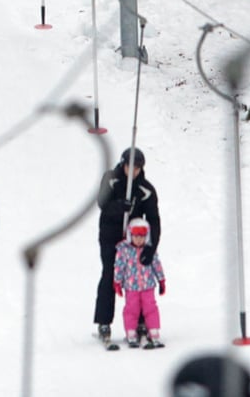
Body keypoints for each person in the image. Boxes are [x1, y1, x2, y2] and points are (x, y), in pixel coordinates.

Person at [93, 147, 160, 345]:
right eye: (130, 166)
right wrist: (118, 206)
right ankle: (104, 322)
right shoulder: (110, 178)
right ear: (123, 164)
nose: (133, 171)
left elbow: (154, 219)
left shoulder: (146, 190)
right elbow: (102, 202)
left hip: (136, 242)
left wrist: (151, 247)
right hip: (110, 237)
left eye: (137, 168)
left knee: (138, 281)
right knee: (109, 275)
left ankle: (140, 321)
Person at [112, 217, 166, 349]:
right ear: (130, 235)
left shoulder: (148, 251)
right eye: (136, 236)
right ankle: (131, 332)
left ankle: (154, 331)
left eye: (142, 236)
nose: (139, 239)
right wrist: (117, 281)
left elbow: (156, 265)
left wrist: (161, 279)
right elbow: (119, 266)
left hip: (148, 286)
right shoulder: (124, 250)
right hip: (131, 287)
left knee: (151, 308)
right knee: (131, 309)